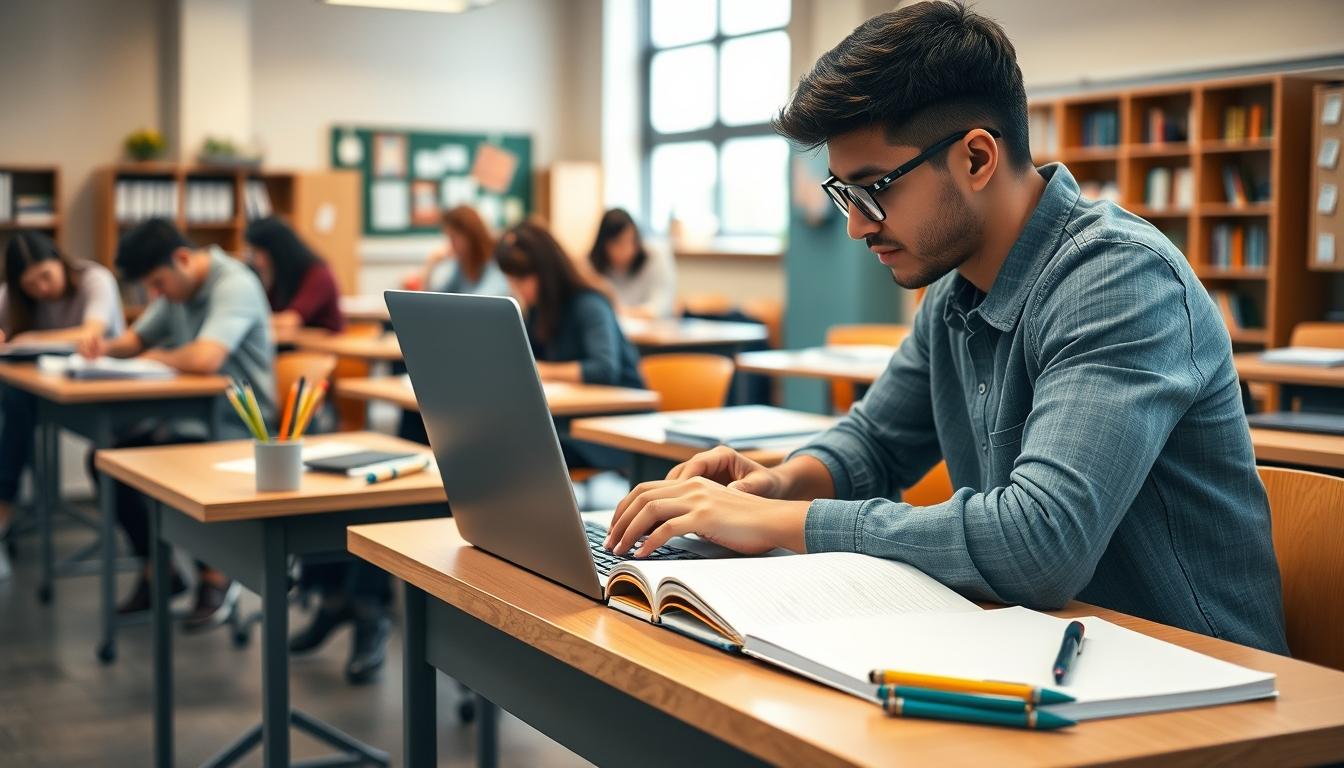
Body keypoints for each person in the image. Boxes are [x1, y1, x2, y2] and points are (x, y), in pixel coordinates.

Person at [604, 0, 1287, 654]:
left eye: (874, 188)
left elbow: (1041, 542)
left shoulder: (1119, 280)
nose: (856, 224)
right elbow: (875, 442)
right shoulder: (957, 291)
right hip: (1049, 650)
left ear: (977, 158)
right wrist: (778, 485)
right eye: (843, 193)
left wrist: (784, 522)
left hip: (1202, 682)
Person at [81, 218, 275, 629]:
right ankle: (160, 571)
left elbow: (206, 359)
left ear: (183, 259)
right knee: (105, 460)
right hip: (187, 415)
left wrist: (156, 358)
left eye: (157, 284)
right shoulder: (176, 286)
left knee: (169, 457)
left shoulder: (233, 284)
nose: (156, 296)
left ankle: (216, 575)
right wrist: (100, 349)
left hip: (241, 421)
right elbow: (136, 341)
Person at [0, 231, 125, 558]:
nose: (41, 289)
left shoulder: (95, 279)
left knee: (14, 403)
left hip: (105, 390)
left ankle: (4, 505)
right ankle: (7, 503)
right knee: (13, 400)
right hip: (46, 394)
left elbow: (89, 335)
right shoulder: (12, 298)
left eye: (46, 276)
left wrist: (29, 339)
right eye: (30, 285)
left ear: (60, 261)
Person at [496, 221, 644, 469]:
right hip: (570, 418)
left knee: (521, 448)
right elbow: (527, 357)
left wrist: (543, 370)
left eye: (522, 279)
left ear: (546, 271)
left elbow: (604, 369)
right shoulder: (539, 310)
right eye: (512, 280)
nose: (517, 288)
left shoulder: (589, 304)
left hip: (612, 424)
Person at [244, 216, 345, 333]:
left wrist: (241, 319)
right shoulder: (275, 273)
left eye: (258, 253)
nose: (256, 261)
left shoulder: (318, 274)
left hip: (321, 347)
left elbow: (290, 321)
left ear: (277, 250)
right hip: (291, 344)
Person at [588, 208, 676, 319]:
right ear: (603, 244)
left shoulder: (655, 256)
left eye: (631, 241)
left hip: (655, 332)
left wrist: (620, 312)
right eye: (618, 243)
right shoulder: (592, 265)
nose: (627, 250)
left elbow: (661, 307)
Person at [413, 205, 508, 296]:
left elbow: (486, 298)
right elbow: (437, 298)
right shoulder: (462, 264)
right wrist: (431, 264)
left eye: (453, 237)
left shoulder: (496, 258)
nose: (450, 244)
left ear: (470, 235)